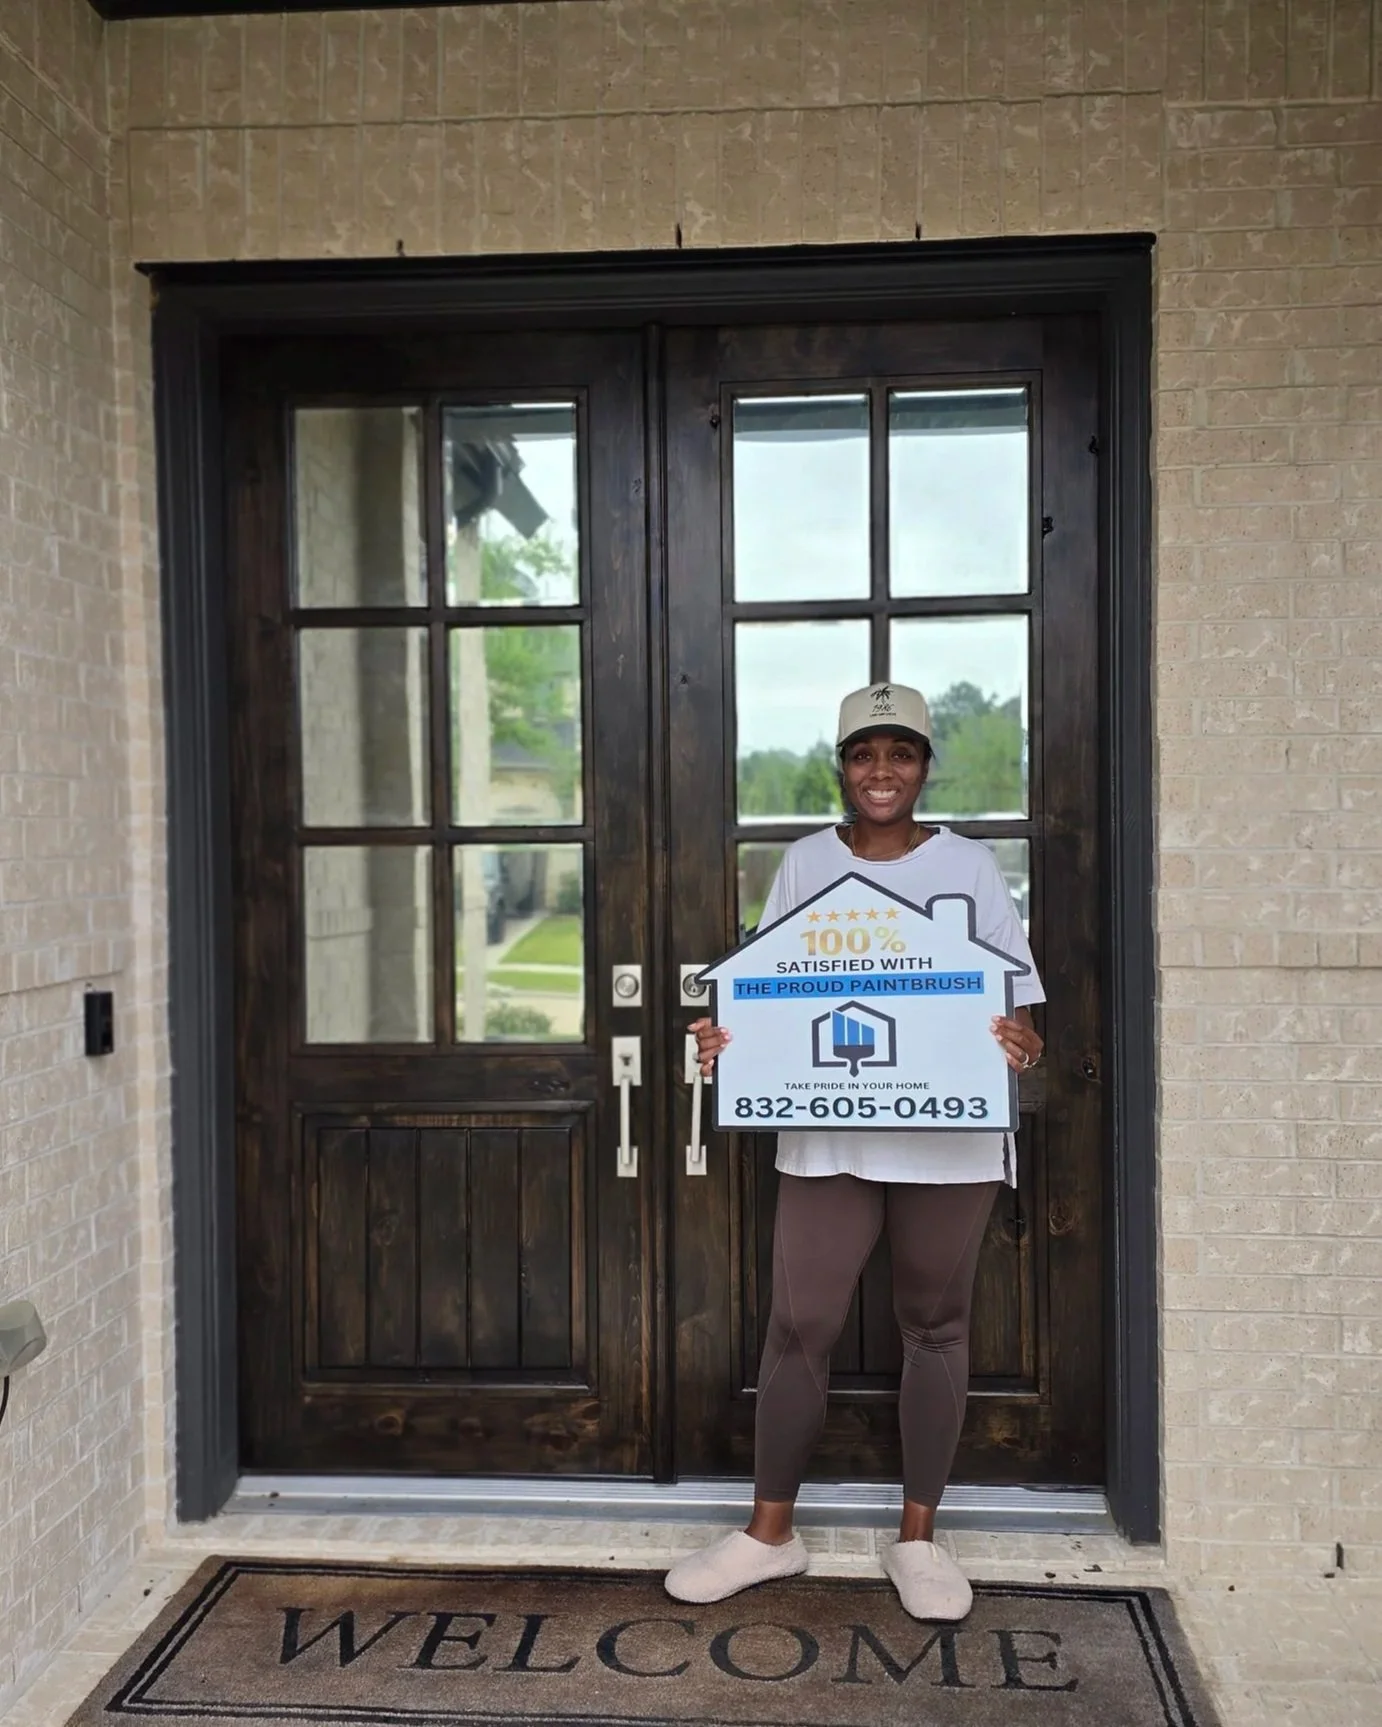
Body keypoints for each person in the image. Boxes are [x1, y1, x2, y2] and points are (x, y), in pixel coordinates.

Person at [664, 681, 1044, 1622]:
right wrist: (725, 1042)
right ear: (842, 767)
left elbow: (1022, 1015)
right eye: (865, 754)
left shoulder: (972, 867)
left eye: (901, 752)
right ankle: (769, 1535)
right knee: (799, 1326)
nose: (883, 771)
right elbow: (763, 994)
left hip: (947, 1138)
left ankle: (916, 1539)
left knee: (935, 1325)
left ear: (924, 766)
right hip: (829, 1130)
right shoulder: (802, 863)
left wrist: (1020, 1043)